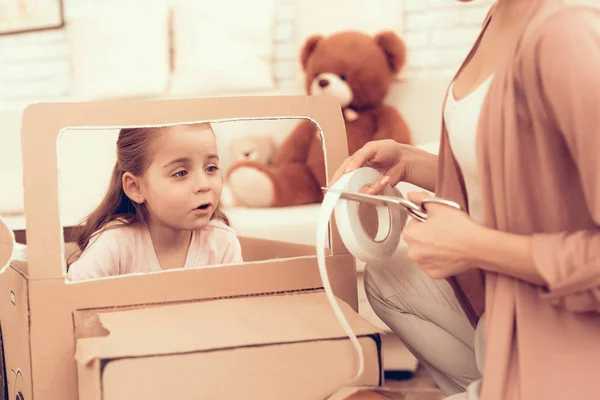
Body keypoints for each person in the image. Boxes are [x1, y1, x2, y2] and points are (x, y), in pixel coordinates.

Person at [330, 0, 600, 399]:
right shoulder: (497, 18)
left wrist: (476, 246)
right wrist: (410, 161)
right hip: (512, 308)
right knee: (390, 277)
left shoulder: (566, 36)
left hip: (571, 334)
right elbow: (512, 174)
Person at [67, 123, 243, 281]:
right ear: (136, 187)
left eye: (211, 168)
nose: (204, 185)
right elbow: (70, 303)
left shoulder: (222, 242)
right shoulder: (115, 243)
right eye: (181, 173)